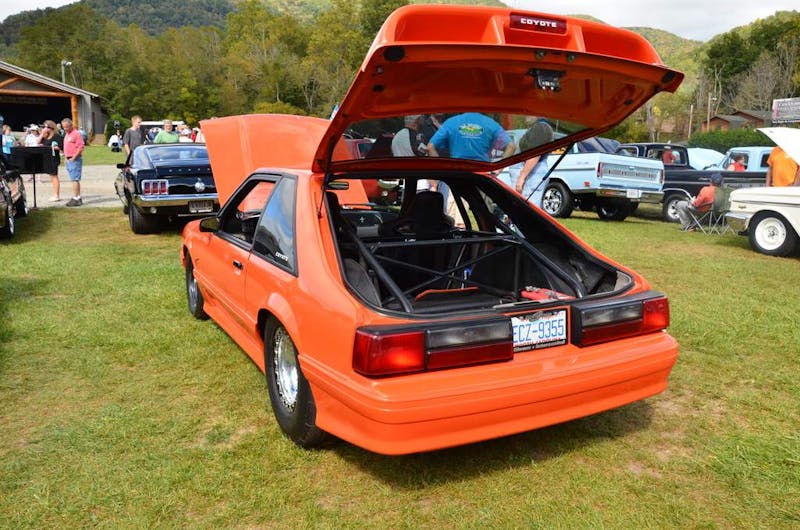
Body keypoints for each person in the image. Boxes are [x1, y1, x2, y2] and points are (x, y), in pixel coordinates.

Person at [512, 119, 554, 207]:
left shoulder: (541, 127)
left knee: (527, 208)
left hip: (532, 174)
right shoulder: (538, 126)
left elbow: (535, 154)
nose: (525, 116)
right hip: (532, 172)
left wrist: (522, 177)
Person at [61, 117, 85, 207]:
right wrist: (66, 159)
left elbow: (81, 147)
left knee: (75, 179)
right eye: (64, 127)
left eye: (67, 127)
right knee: (73, 178)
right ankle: (78, 197)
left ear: (71, 125)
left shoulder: (76, 134)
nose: (65, 129)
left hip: (74, 159)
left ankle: (76, 197)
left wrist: (74, 158)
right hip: (68, 159)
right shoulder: (67, 134)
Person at [40, 120, 63, 202]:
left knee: (54, 176)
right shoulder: (45, 137)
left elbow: (61, 147)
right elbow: (38, 142)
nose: (45, 128)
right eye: (44, 127)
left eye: (46, 127)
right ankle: (55, 194)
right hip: (47, 159)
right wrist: (42, 134)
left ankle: (56, 195)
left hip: (54, 158)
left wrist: (54, 147)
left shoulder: (57, 137)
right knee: (51, 176)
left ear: (52, 128)